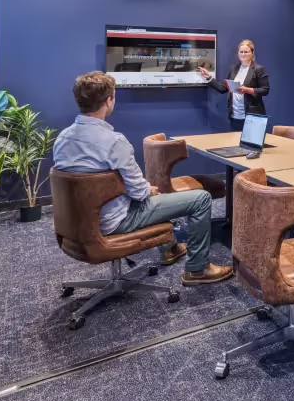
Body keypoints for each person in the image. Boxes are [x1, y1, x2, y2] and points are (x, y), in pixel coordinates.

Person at [53, 71, 233, 285]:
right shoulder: (113, 141)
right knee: (199, 199)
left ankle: (170, 249)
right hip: (114, 221)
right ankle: (198, 269)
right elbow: (139, 193)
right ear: (109, 100)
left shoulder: (62, 139)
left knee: (156, 197)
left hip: (77, 222)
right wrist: (149, 189)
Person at [199, 39, 270, 131]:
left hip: (253, 116)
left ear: (252, 53)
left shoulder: (259, 69)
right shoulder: (234, 69)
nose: (243, 54)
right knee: (236, 140)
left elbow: (265, 90)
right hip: (235, 116)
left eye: (246, 52)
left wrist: (247, 90)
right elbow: (223, 88)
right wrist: (209, 77)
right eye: (241, 52)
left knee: (251, 140)